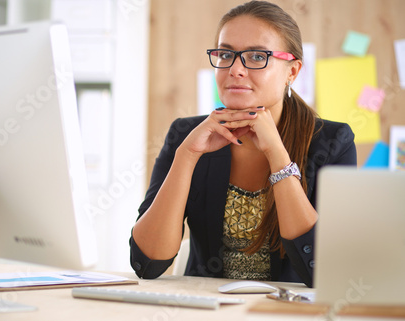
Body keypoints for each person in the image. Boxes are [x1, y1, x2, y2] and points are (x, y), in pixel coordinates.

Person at [129, 0, 356, 287]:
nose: (235, 69)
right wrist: (186, 156)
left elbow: (325, 272)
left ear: (292, 71)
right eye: (225, 54)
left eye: (257, 56)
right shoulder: (185, 134)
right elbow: (147, 263)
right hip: (206, 310)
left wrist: (277, 154)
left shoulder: (333, 142)